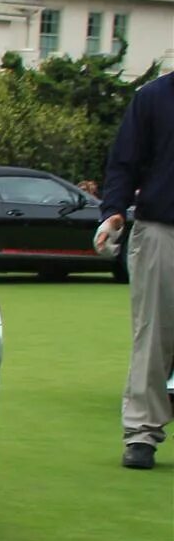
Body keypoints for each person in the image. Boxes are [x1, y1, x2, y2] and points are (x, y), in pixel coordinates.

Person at [96, 70, 174, 470]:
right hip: (161, 229)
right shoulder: (153, 97)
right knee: (153, 335)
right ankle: (142, 434)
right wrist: (112, 212)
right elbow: (123, 162)